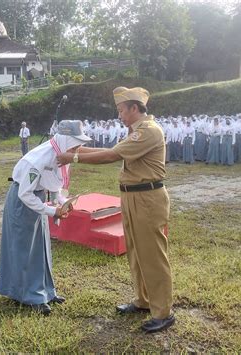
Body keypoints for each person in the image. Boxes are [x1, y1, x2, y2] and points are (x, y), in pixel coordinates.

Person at [56, 87, 174, 333]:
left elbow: (111, 155)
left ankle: (163, 312)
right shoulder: (136, 131)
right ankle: (143, 301)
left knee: (152, 254)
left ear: (134, 108)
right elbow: (109, 151)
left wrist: (73, 158)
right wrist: (73, 149)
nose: (119, 115)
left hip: (147, 198)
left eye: (121, 110)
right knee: (136, 252)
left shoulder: (148, 132)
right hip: (132, 197)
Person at [0, 120, 92, 316]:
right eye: (76, 144)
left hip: (37, 199)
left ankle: (45, 292)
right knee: (24, 249)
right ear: (66, 141)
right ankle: (27, 295)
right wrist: (52, 211)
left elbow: (54, 184)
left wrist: (62, 201)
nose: (78, 149)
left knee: (40, 247)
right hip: (23, 203)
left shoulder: (60, 156)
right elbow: (25, 193)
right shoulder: (39, 158)